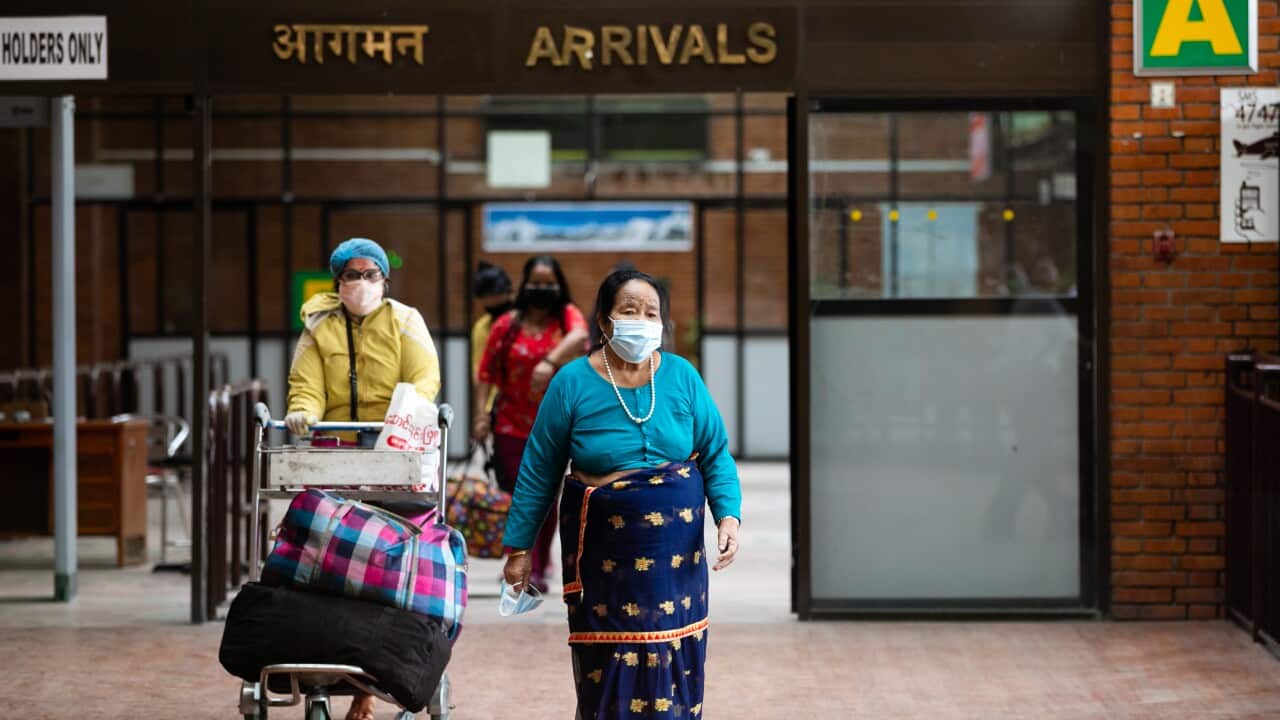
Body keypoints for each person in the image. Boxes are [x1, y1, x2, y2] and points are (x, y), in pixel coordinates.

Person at [501, 268, 742, 720]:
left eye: (651, 313)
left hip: (675, 562)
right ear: (604, 321)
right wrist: (519, 549)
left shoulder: (682, 376)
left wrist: (728, 516)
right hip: (605, 562)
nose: (642, 320)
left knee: (674, 660)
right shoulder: (571, 382)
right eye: (629, 311)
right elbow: (539, 469)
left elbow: (715, 453)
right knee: (608, 666)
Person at [283, 236, 440, 720]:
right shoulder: (318, 328)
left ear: (384, 281)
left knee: (384, 573)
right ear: (337, 281)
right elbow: (305, 383)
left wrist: (397, 424)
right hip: (335, 459)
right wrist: (302, 413)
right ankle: (325, 682)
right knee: (329, 572)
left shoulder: (406, 321)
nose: (362, 283)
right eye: (352, 275)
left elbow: (423, 380)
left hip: (392, 459)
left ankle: (373, 687)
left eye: (371, 274)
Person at [472, 255, 589, 592]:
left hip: (554, 424)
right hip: (511, 424)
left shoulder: (566, 317)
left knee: (548, 496)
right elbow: (486, 374)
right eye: (535, 282)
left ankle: (537, 565)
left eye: (549, 283)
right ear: (523, 285)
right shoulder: (506, 325)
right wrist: (480, 414)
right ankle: (521, 559)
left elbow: (581, 335)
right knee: (518, 496)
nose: (542, 289)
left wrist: (548, 361)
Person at [470, 261, 515, 413]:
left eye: (495, 295)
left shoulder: (524, 322)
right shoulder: (482, 327)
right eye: (486, 296)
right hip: (497, 406)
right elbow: (480, 372)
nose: (491, 300)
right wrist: (482, 412)